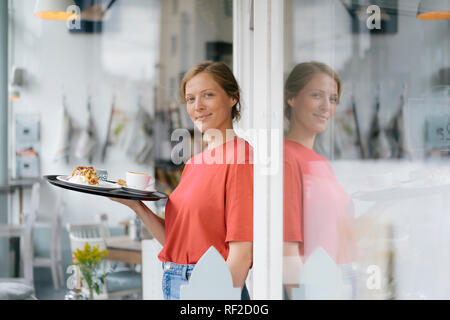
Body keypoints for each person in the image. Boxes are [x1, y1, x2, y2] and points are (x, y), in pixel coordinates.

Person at [111, 61, 253, 300]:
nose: (198, 106)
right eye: (190, 99)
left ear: (232, 98)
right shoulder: (194, 163)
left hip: (210, 288)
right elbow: (175, 241)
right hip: (175, 281)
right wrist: (135, 205)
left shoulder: (240, 157)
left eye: (208, 95)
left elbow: (241, 254)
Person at [282, 62, 358, 299]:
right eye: (316, 95)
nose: (326, 106)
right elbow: (287, 252)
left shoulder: (320, 162)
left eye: (333, 99)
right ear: (292, 98)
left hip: (339, 280)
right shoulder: (286, 158)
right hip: (313, 284)